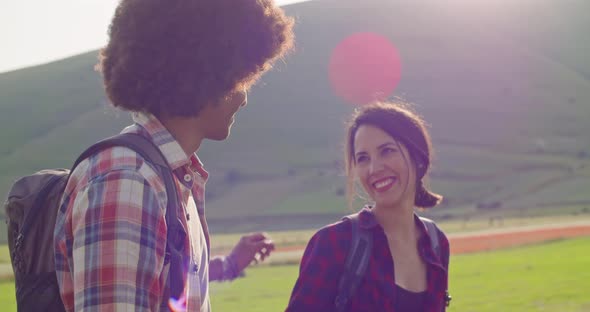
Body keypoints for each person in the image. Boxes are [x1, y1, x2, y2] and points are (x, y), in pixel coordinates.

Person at [53, 0, 294, 310]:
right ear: (206, 74)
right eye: (240, 77)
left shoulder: (165, 175)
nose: (244, 97)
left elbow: (171, 286)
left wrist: (231, 263)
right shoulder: (128, 179)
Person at [286, 101, 450, 311]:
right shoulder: (334, 243)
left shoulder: (437, 244)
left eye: (387, 151)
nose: (374, 168)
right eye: (363, 158)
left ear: (417, 156)